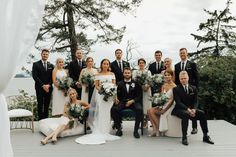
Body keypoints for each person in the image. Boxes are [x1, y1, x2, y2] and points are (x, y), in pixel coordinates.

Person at [75, 59, 120, 144]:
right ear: (101, 65)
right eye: (104, 64)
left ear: (109, 65)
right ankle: (101, 130)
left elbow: (114, 86)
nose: (105, 65)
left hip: (110, 97)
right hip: (101, 96)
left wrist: (115, 96)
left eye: (107, 64)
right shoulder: (98, 74)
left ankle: (107, 129)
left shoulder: (112, 74)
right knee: (101, 112)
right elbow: (96, 86)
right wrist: (104, 91)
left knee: (108, 112)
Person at [172, 71, 214, 145]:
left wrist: (194, 109)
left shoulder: (194, 88)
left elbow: (196, 101)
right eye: (181, 79)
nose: (183, 80)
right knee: (185, 115)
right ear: (179, 79)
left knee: (202, 113)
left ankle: (206, 136)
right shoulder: (176, 89)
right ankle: (184, 137)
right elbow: (178, 102)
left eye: (185, 78)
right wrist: (188, 110)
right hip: (179, 109)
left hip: (191, 109)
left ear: (188, 78)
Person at [111, 67, 143, 138]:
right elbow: (116, 94)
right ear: (123, 74)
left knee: (139, 109)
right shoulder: (119, 83)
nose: (127, 74)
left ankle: (136, 131)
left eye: (128, 73)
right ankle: (118, 128)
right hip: (122, 102)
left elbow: (139, 96)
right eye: (125, 73)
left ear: (131, 74)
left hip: (133, 101)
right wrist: (116, 98)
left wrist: (132, 101)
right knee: (114, 109)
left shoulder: (136, 83)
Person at [174, 48, 199, 134]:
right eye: (180, 53)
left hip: (191, 89)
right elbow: (177, 80)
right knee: (183, 107)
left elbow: (196, 78)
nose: (182, 54)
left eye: (183, 53)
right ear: (179, 54)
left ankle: (194, 127)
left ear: (186, 53)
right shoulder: (176, 66)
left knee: (192, 107)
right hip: (181, 90)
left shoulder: (192, 64)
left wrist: (196, 89)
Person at [147, 69, 176, 136]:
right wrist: (160, 105)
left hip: (170, 106)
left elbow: (172, 101)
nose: (167, 76)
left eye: (168, 75)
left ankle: (158, 129)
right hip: (164, 104)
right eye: (165, 75)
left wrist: (164, 110)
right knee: (148, 110)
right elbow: (162, 96)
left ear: (172, 76)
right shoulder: (163, 85)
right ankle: (155, 129)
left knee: (152, 111)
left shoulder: (174, 86)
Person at [32, 49, 54, 120]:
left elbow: (52, 77)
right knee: (40, 104)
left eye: (46, 54)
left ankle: (46, 119)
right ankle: (41, 120)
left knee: (47, 104)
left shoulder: (51, 65)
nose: (45, 55)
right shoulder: (36, 64)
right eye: (44, 54)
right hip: (39, 87)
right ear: (41, 54)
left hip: (49, 88)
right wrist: (43, 85)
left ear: (48, 55)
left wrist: (48, 85)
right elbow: (35, 76)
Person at [132, 58, 152, 128]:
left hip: (147, 90)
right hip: (138, 90)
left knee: (146, 105)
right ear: (138, 64)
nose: (141, 64)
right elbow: (134, 80)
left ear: (145, 64)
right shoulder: (135, 72)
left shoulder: (148, 72)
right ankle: (140, 121)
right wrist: (141, 86)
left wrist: (146, 87)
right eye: (140, 63)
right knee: (140, 105)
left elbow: (150, 81)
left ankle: (146, 121)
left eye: (142, 63)